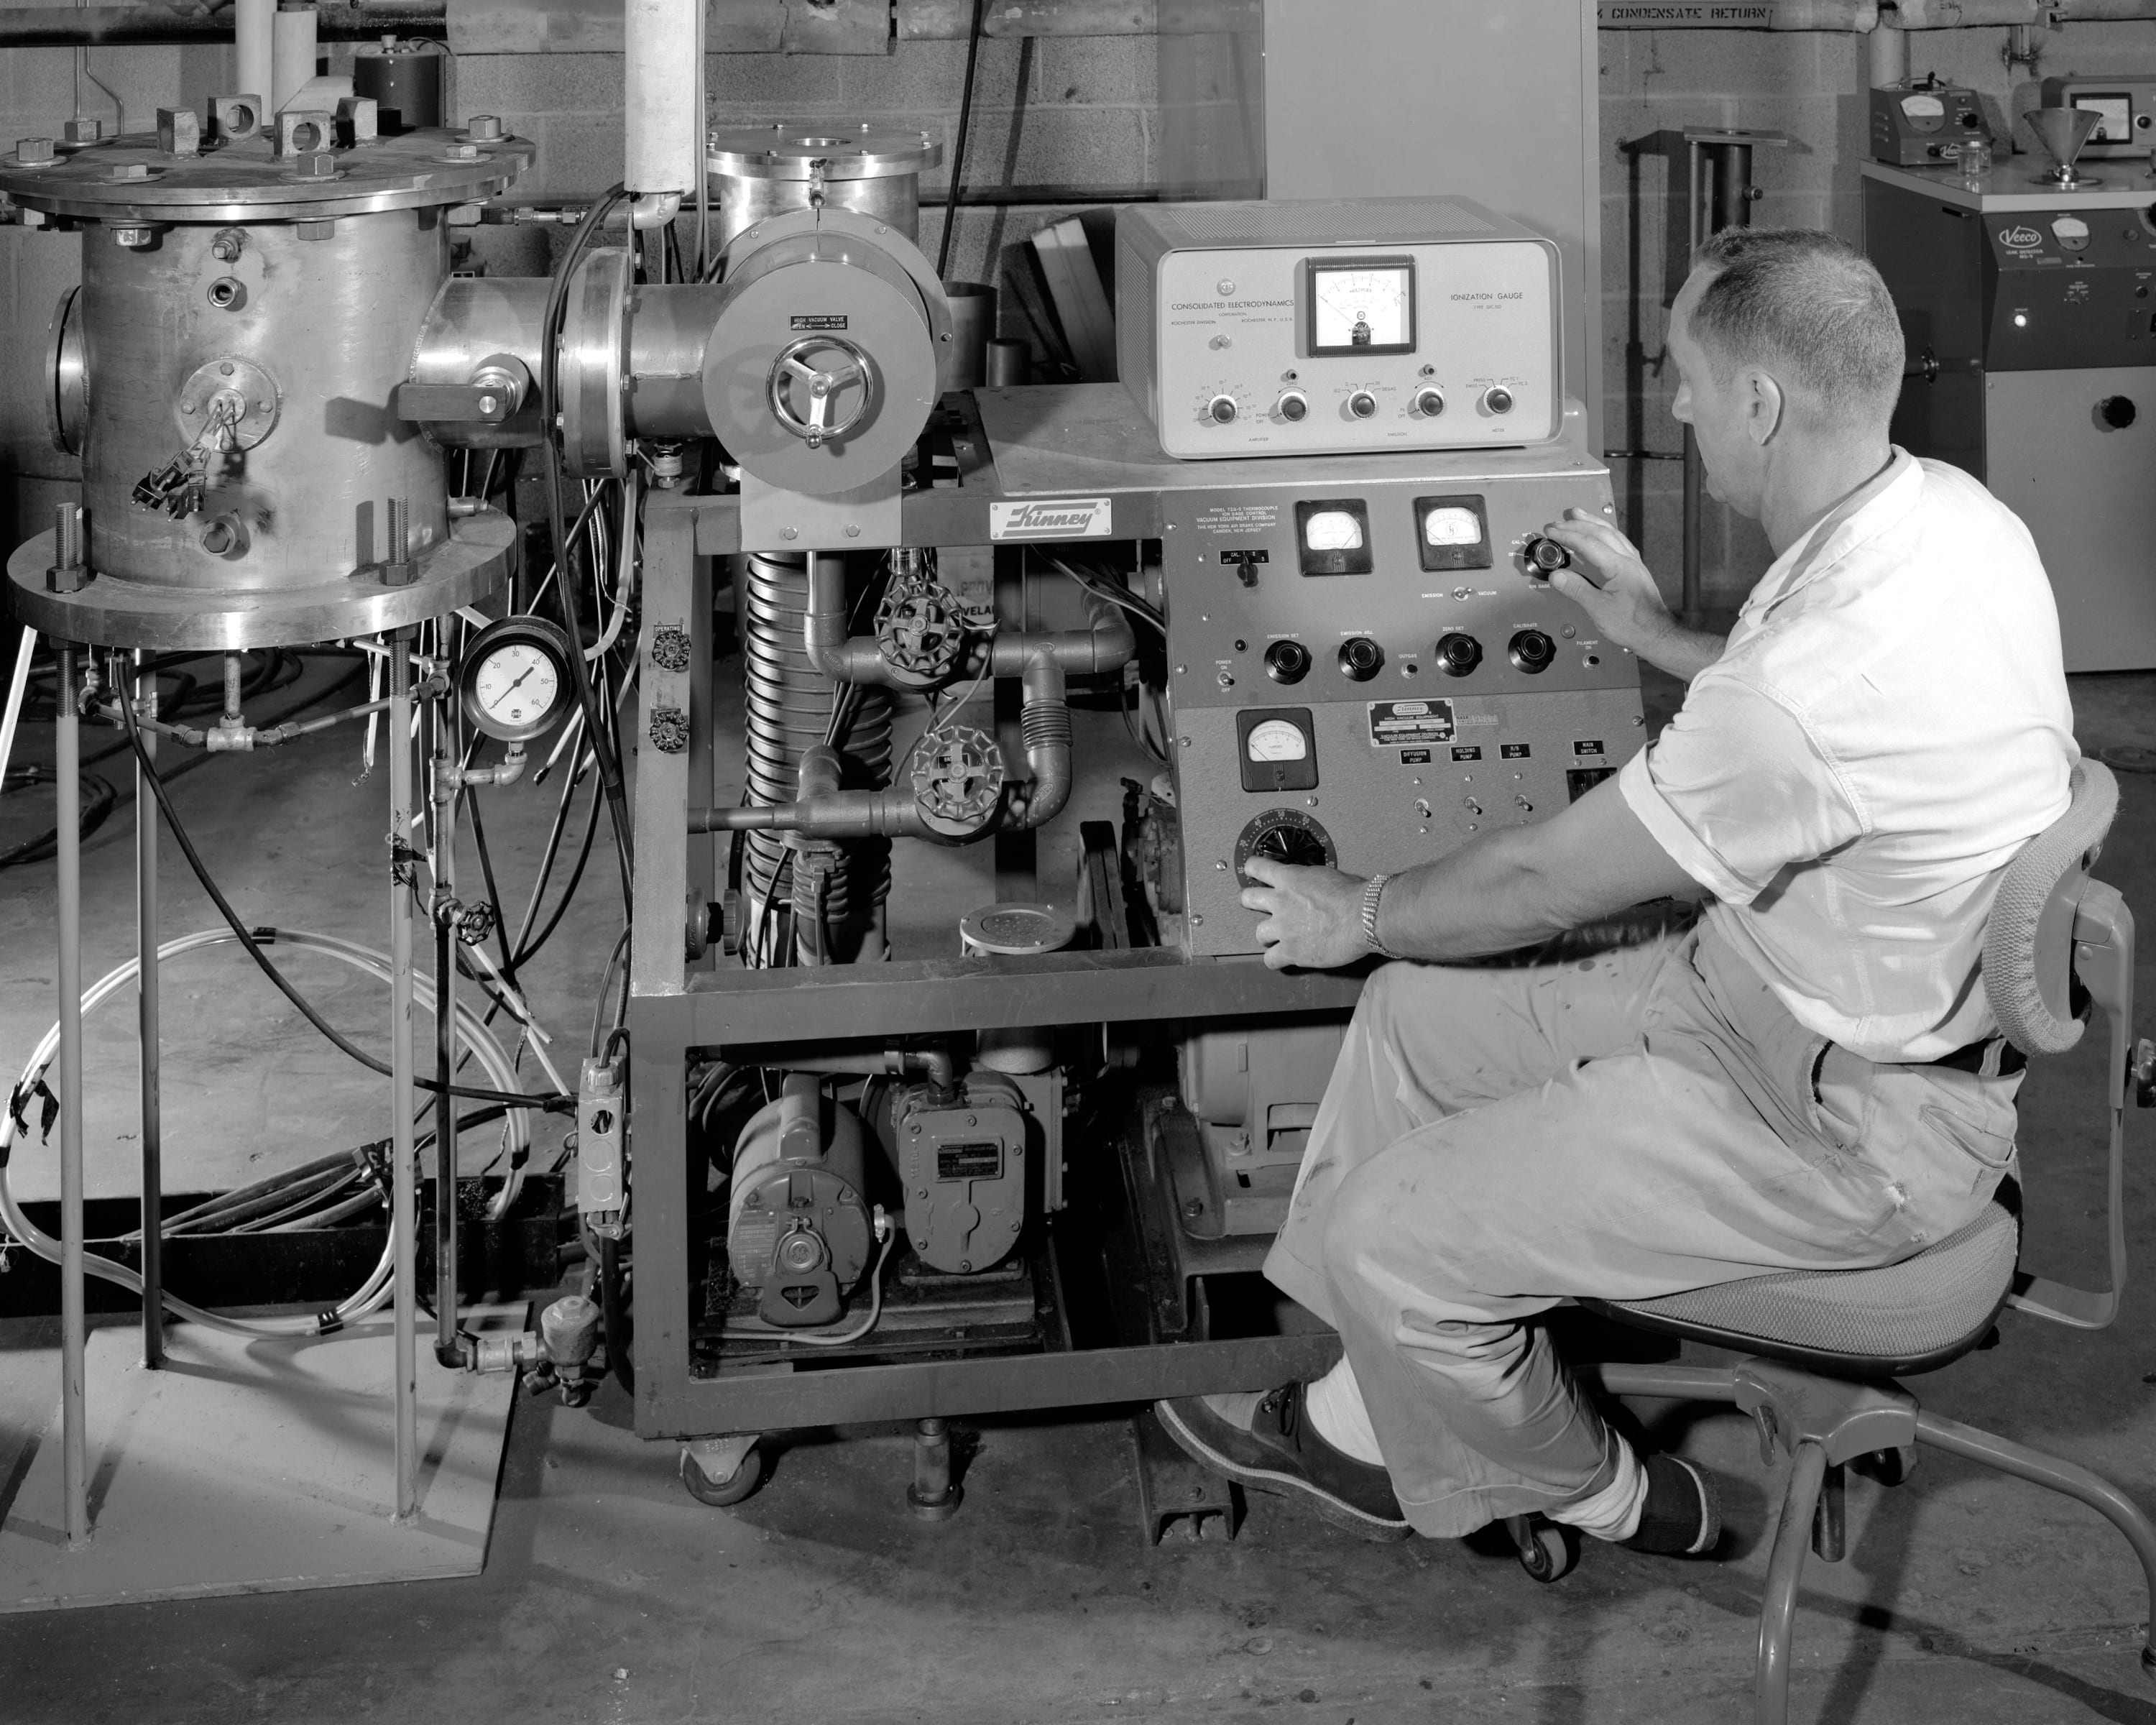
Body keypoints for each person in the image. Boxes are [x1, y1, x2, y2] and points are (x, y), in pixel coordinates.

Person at [1157, 228, 2076, 1555]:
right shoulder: (1950, 519)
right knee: (1411, 1016)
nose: (1678, 408)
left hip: (1851, 1135)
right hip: (1775, 1001)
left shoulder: (1797, 696)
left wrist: (1351, 910)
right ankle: (1375, 1406)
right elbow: (1831, 713)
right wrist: (1650, 634)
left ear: (1760, 400)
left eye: (1686, 378)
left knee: (1385, 1229)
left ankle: (1607, 1492)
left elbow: (1545, 877)